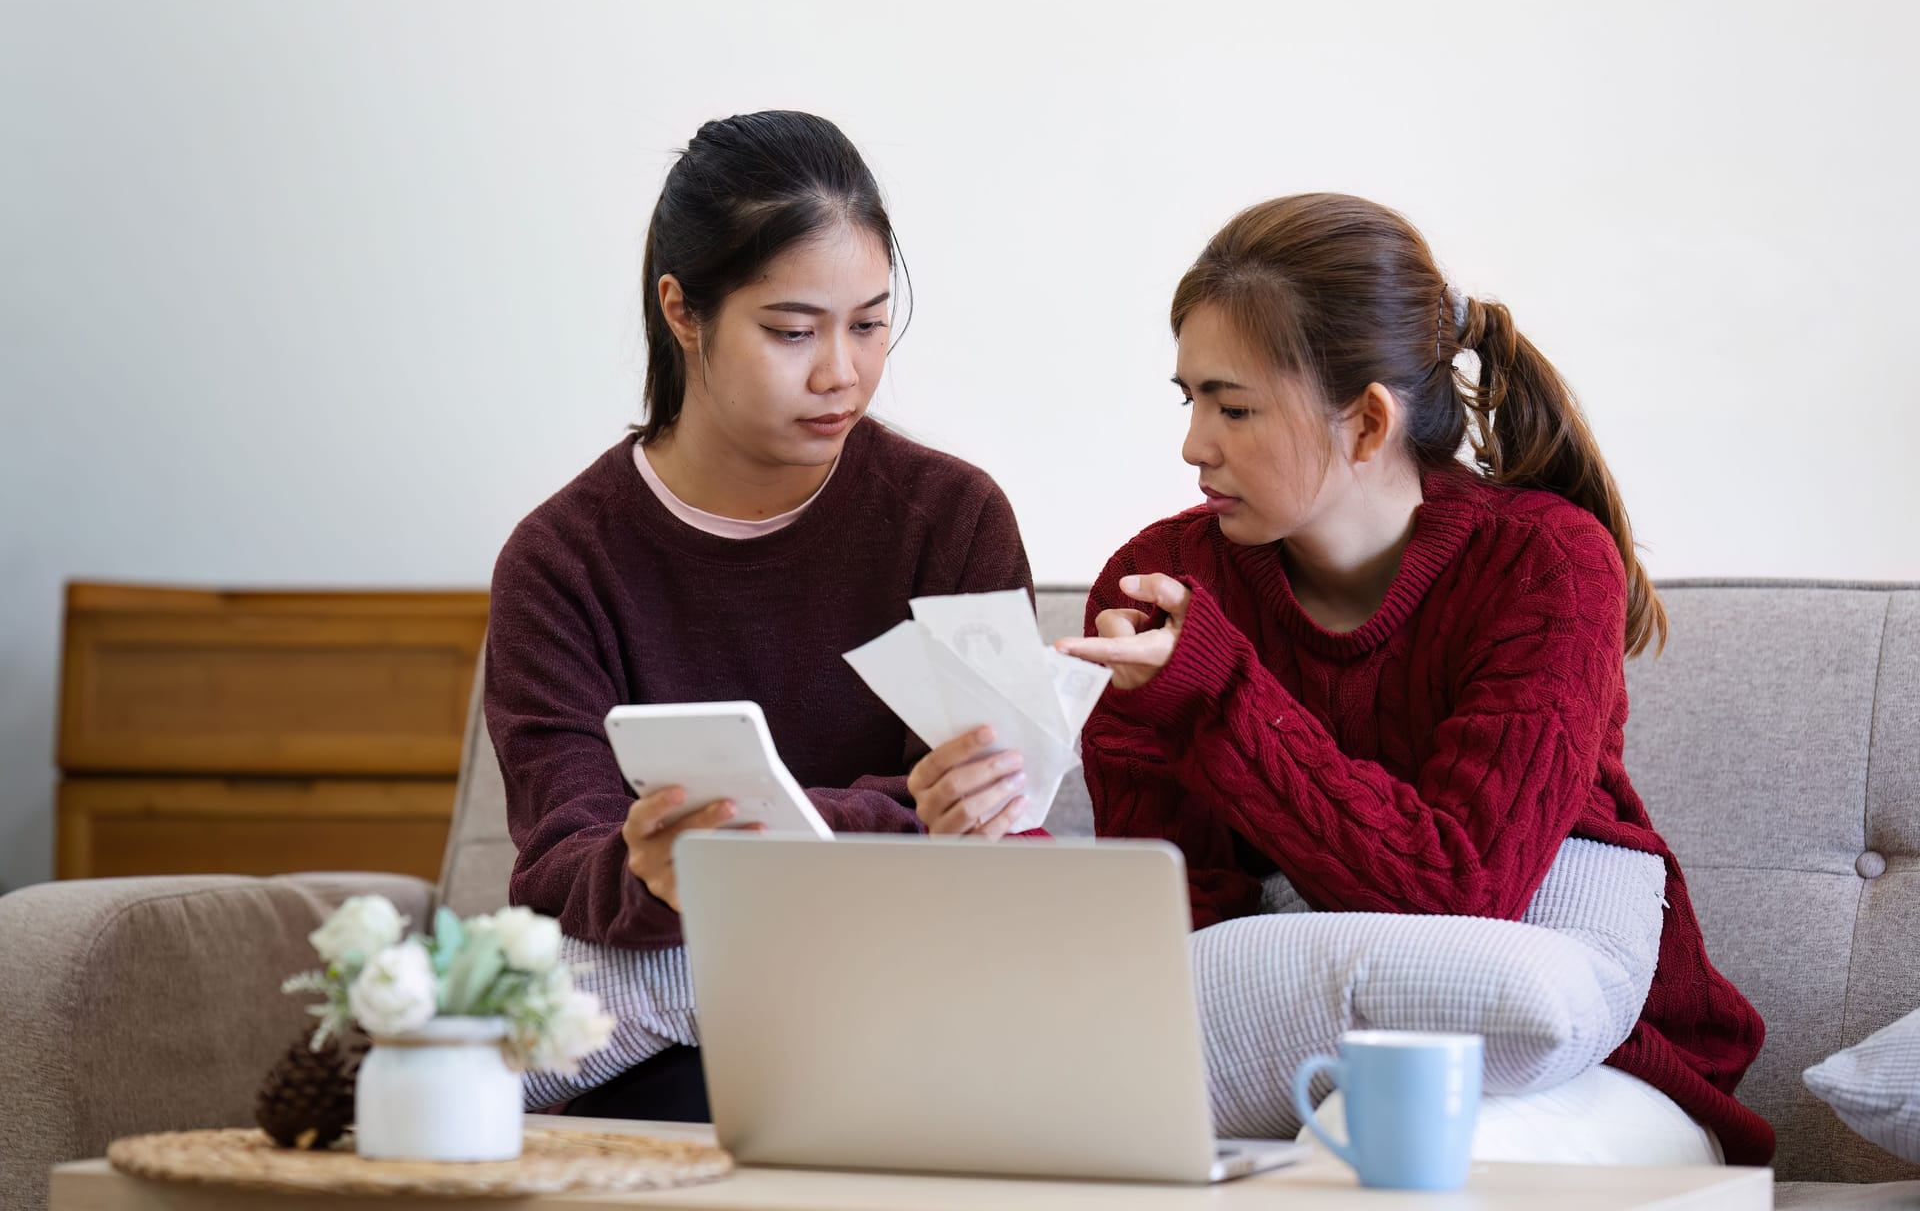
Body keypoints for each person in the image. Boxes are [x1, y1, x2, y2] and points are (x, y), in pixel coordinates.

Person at [1056, 194, 1772, 1164]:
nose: (1195, 445)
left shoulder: (1547, 564)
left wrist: (1218, 689)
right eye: (1189, 401)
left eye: (1233, 406)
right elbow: (1179, 913)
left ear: (1367, 423)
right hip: (1298, 1051)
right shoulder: (1165, 582)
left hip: (1600, 1061)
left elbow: (1462, 885)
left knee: (1392, 1159)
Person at [485, 111, 1033, 1121]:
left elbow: (973, 816)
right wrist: (647, 870)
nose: (841, 373)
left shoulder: (950, 521)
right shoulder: (561, 562)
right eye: (792, 331)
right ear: (682, 311)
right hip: (658, 1014)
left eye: (869, 324)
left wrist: (751, 841)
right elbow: (559, 863)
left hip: (900, 983)